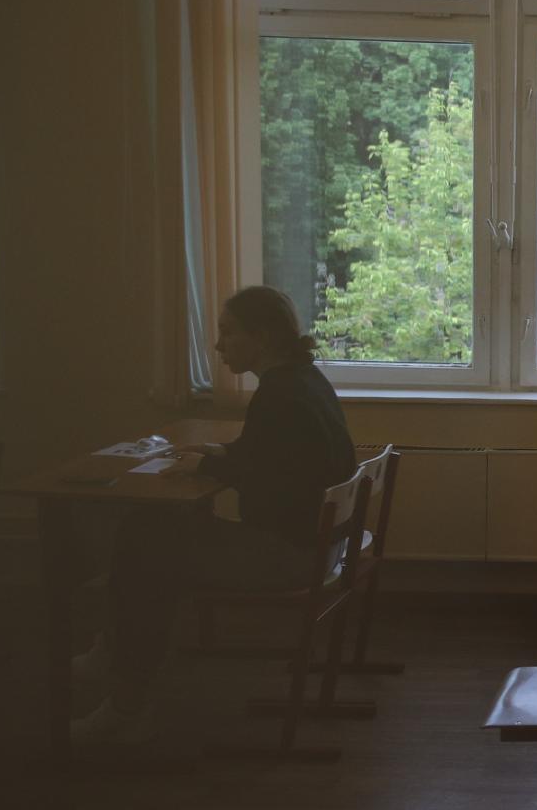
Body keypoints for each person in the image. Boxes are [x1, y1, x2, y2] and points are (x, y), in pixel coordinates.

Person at [71, 285, 356, 744]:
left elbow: (271, 480)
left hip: (286, 554)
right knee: (151, 529)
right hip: (321, 543)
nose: (219, 345)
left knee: (146, 550)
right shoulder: (303, 380)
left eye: (228, 333)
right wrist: (219, 452)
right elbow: (277, 456)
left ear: (261, 338)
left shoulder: (279, 395)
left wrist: (209, 463)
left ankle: (126, 696)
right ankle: (117, 650)